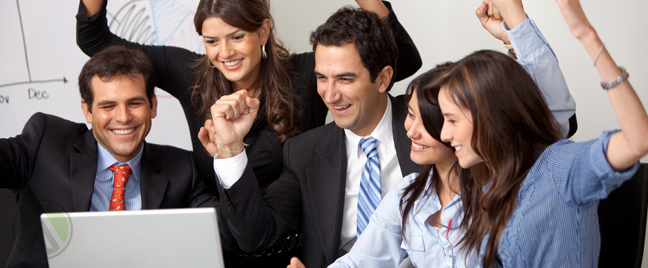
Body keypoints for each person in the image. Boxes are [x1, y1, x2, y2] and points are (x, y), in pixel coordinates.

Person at [206, 3, 577, 268]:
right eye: (321, 78)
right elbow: (256, 238)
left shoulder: (433, 125)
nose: (329, 95)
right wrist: (230, 148)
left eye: (345, 79)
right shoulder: (304, 152)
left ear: (383, 78)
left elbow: (550, 125)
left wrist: (516, 25)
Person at [430, 0, 648, 267]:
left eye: (452, 120)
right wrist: (513, 35)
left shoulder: (560, 168)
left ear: (491, 117)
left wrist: (586, 35)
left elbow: (638, 140)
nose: (444, 133)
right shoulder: (491, 179)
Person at [0, 46, 219, 268]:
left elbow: (233, 239)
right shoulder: (45, 143)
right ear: (88, 111)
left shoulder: (183, 169)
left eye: (134, 103)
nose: (123, 117)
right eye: (108, 106)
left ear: (152, 105)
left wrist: (230, 152)